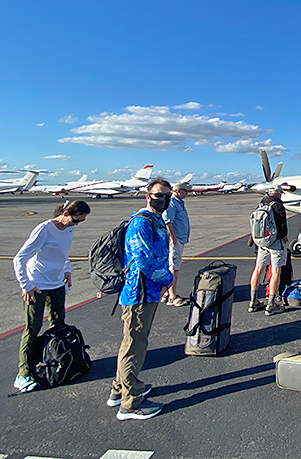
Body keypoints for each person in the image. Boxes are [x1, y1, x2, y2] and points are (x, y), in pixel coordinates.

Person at [108, 177, 173, 421]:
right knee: (135, 344)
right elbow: (143, 258)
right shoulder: (141, 223)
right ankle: (130, 402)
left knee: (134, 340)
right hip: (139, 291)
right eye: (158, 195)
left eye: (167, 195)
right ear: (148, 196)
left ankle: (120, 388)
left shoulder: (156, 220)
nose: (163, 199)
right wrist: (167, 279)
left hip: (150, 290)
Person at [13, 200, 91, 392]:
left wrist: (66, 269)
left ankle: (52, 360)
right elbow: (19, 258)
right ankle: (23, 373)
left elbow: (63, 253)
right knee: (33, 328)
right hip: (37, 286)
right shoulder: (44, 230)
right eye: (76, 220)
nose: (76, 224)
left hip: (57, 284)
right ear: (65, 213)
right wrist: (27, 285)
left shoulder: (68, 228)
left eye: (80, 222)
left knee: (59, 325)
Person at [249, 185, 289, 315]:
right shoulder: (278, 205)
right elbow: (282, 225)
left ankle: (253, 301)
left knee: (258, 269)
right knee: (277, 271)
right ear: (278, 194)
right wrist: (284, 236)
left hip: (261, 242)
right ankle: (271, 304)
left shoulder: (262, 203)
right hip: (275, 242)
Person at [161, 181, 191, 307]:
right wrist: (173, 238)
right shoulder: (172, 203)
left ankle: (165, 293)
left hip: (180, 238)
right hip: (176, 239)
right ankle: (172, 296)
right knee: (174, 268)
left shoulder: (179, 203)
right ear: (178, 191)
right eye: (185, 191)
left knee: (172, 267)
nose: (187, 193)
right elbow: (168, 222)